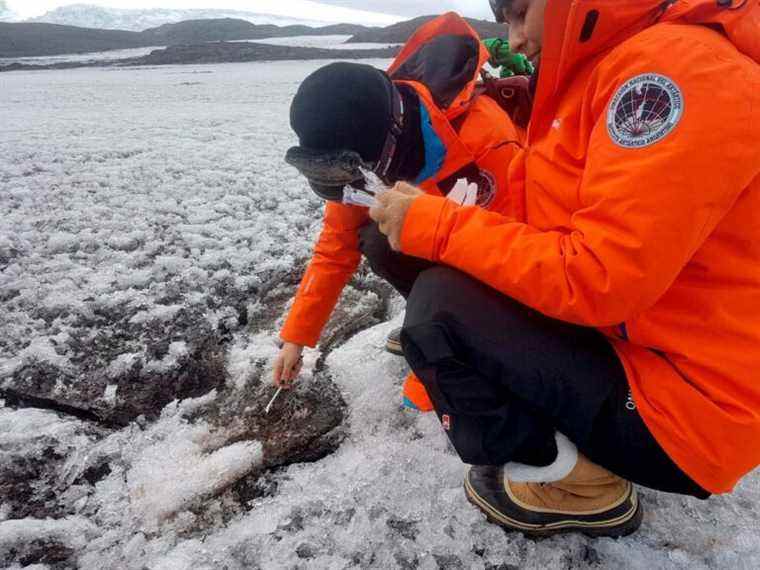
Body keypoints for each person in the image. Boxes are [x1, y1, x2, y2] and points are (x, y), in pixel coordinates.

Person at [368, 0, 760, 537]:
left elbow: (598, 277)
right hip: (646, 347)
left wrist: (439, 226)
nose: (515, 39)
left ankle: (581, 486)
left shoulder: (673, 74)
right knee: (457, 289)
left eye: (520, 12)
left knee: (442, 308)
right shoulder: (609, 67)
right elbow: (564, 224)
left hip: (687, 412)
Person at [274, 13, 531, 412]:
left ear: (387, 145)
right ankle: (433, 318)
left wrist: (437, 357)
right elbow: (335, 248)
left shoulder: (485, 141)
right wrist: (297, 337)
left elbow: (516, 259)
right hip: (442, 250)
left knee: (463, 274)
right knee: (375, 239)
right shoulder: (358, 164)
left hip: (501, 249)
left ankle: (458, 337)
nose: (348, 188)